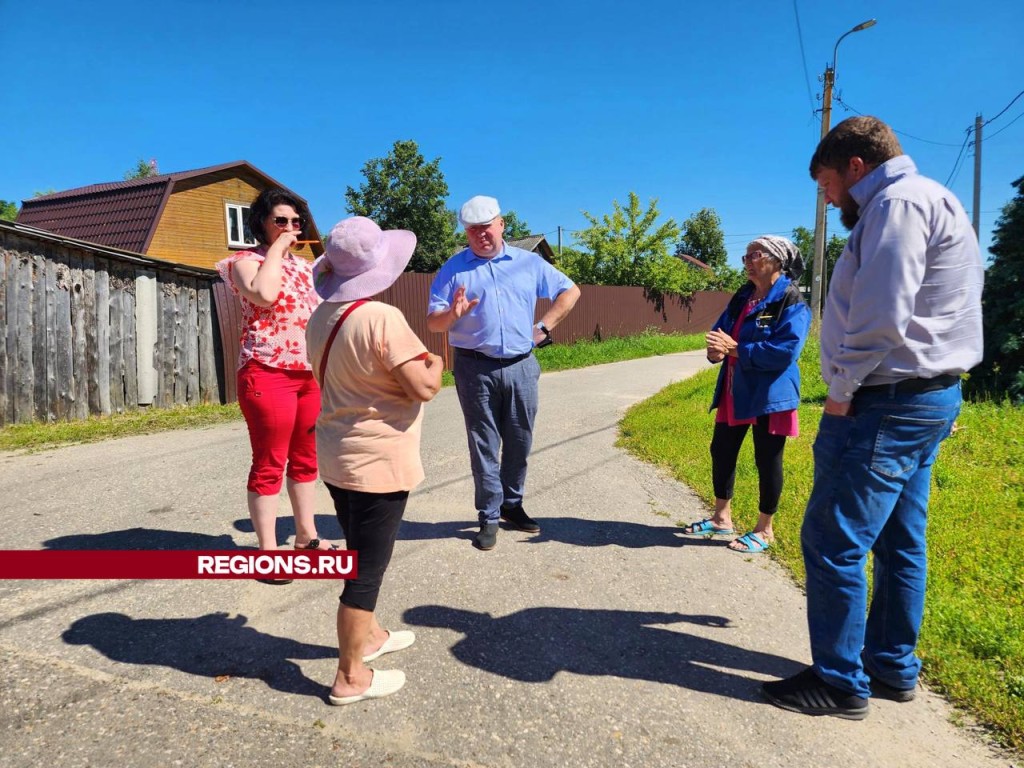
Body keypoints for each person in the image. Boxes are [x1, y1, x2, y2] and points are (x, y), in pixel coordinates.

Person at [762, 116, 984, 719]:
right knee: (898, 540)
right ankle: (890, 666)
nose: (828, 198)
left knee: (832, 540)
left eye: (828, 184)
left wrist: (840, 390)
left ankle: (839, 682)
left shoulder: (897, 205)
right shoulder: (937, 198)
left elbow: (882, 315)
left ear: (856, 165)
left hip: (882, 402)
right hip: (922, 397)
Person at [306, 216, 443, 706]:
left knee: (357, 550)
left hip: (338, 455)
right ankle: (349, 676)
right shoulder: (381, 318)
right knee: (364, 572)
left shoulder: (320, 317)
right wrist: (438, 360)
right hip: (377, 461)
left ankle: (371, 636)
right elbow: (424, 386)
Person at [427, 195, 580, 551]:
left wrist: (543, 327)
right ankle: (489, 515)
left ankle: (512, 504)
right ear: (466, 232)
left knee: (519, 439)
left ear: (501, 224)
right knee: (484, 443)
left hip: (521, 365)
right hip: (474, 366)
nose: (481, 235)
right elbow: (434, 322)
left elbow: (570, 291)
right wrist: (453, 313)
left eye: (487, 227)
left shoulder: (528, 263)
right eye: (472, 230)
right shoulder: (453, 269)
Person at [216, 188, 333, 558]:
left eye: (295, 222)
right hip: (266, 370)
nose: (289, 227)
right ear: (262, 224)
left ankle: (306, 536)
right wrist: (279, 251)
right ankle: (268, 551)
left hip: (307, 372)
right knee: (270, 462)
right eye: (280, 220)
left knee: (306, 459)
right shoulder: (244, 261)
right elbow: (265, 295)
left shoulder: (308, 267)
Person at [682, 236, 810, 553]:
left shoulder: (791, 301)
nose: (748, 261)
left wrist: (736, 349)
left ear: (777, 260)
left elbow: (785, 351)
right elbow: (720, 330)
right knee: (721, 450)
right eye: (746, 256)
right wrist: (715, 352)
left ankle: (764, 530)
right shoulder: (743, 296)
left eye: (756, 255)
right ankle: (721, 519)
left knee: (767, 459)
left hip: (770, 394)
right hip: (734, 389)